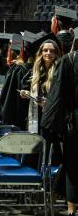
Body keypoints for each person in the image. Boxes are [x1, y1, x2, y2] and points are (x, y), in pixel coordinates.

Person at [42, 33, 78, 216]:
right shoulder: (68, 60)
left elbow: (57, 96)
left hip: (74, 121)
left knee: (73, 164)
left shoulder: (69, 60)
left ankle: (72, 209)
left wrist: (49, 124)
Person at [19, 36, 61, 133]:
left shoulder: (59, 73)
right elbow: (26, 89)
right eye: (45, 50)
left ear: (56, 54)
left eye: (52, 51)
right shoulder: (33, 72)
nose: (48, 53)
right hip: (35, 116)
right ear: (41, 53)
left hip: (52, 119)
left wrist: (48, 103)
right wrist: (25, 93)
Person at [0, 33, 36, 129]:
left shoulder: (18, 69)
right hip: (34, 119)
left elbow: (5, 96)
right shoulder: (39, 70)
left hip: (16, 119)